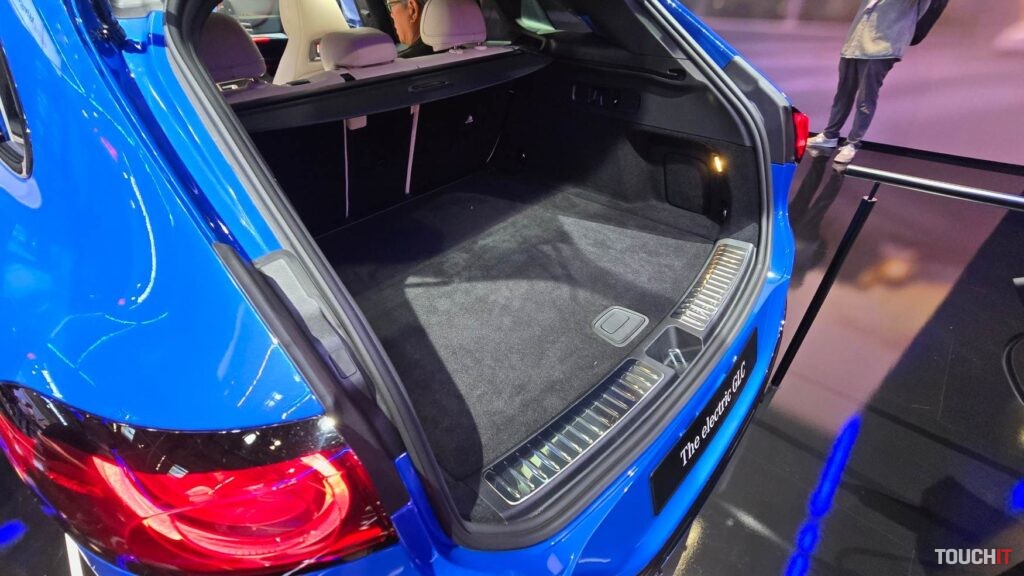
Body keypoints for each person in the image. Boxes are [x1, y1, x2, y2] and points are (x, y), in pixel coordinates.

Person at [808, 0, 932, 164]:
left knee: (866, 99)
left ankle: (852, 144)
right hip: (854, 43)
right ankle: (829, 135)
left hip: (881, 47)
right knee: (843, 94)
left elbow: (920, 12)